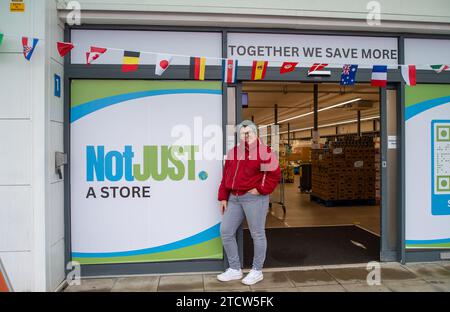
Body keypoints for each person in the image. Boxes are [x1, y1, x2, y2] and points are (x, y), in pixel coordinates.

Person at [216, 120, 281, 285]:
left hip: (254, 198)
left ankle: (257, 271)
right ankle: (235, 269)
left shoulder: (265, 152)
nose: (245, 136)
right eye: (242, 134)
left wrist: (260, 189)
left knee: (257, 233)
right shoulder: (234, 152)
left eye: (248, 133)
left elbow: (274, 175)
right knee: (226, 231)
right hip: (234, 198)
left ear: (255, 133)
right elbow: (226, 176)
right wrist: (223, 196)